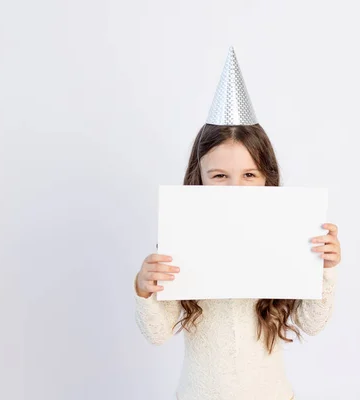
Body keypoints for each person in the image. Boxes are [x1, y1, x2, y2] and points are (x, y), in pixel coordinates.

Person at [133, 47, 342, 400]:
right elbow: (157, 332)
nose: (235, 187)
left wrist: (325, 268)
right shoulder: (182, 238)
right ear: (198, 178)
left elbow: (312, 323)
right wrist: (144, 287)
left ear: (266, 178)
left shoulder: (284, 236)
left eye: (249, 174)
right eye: (219, 175)